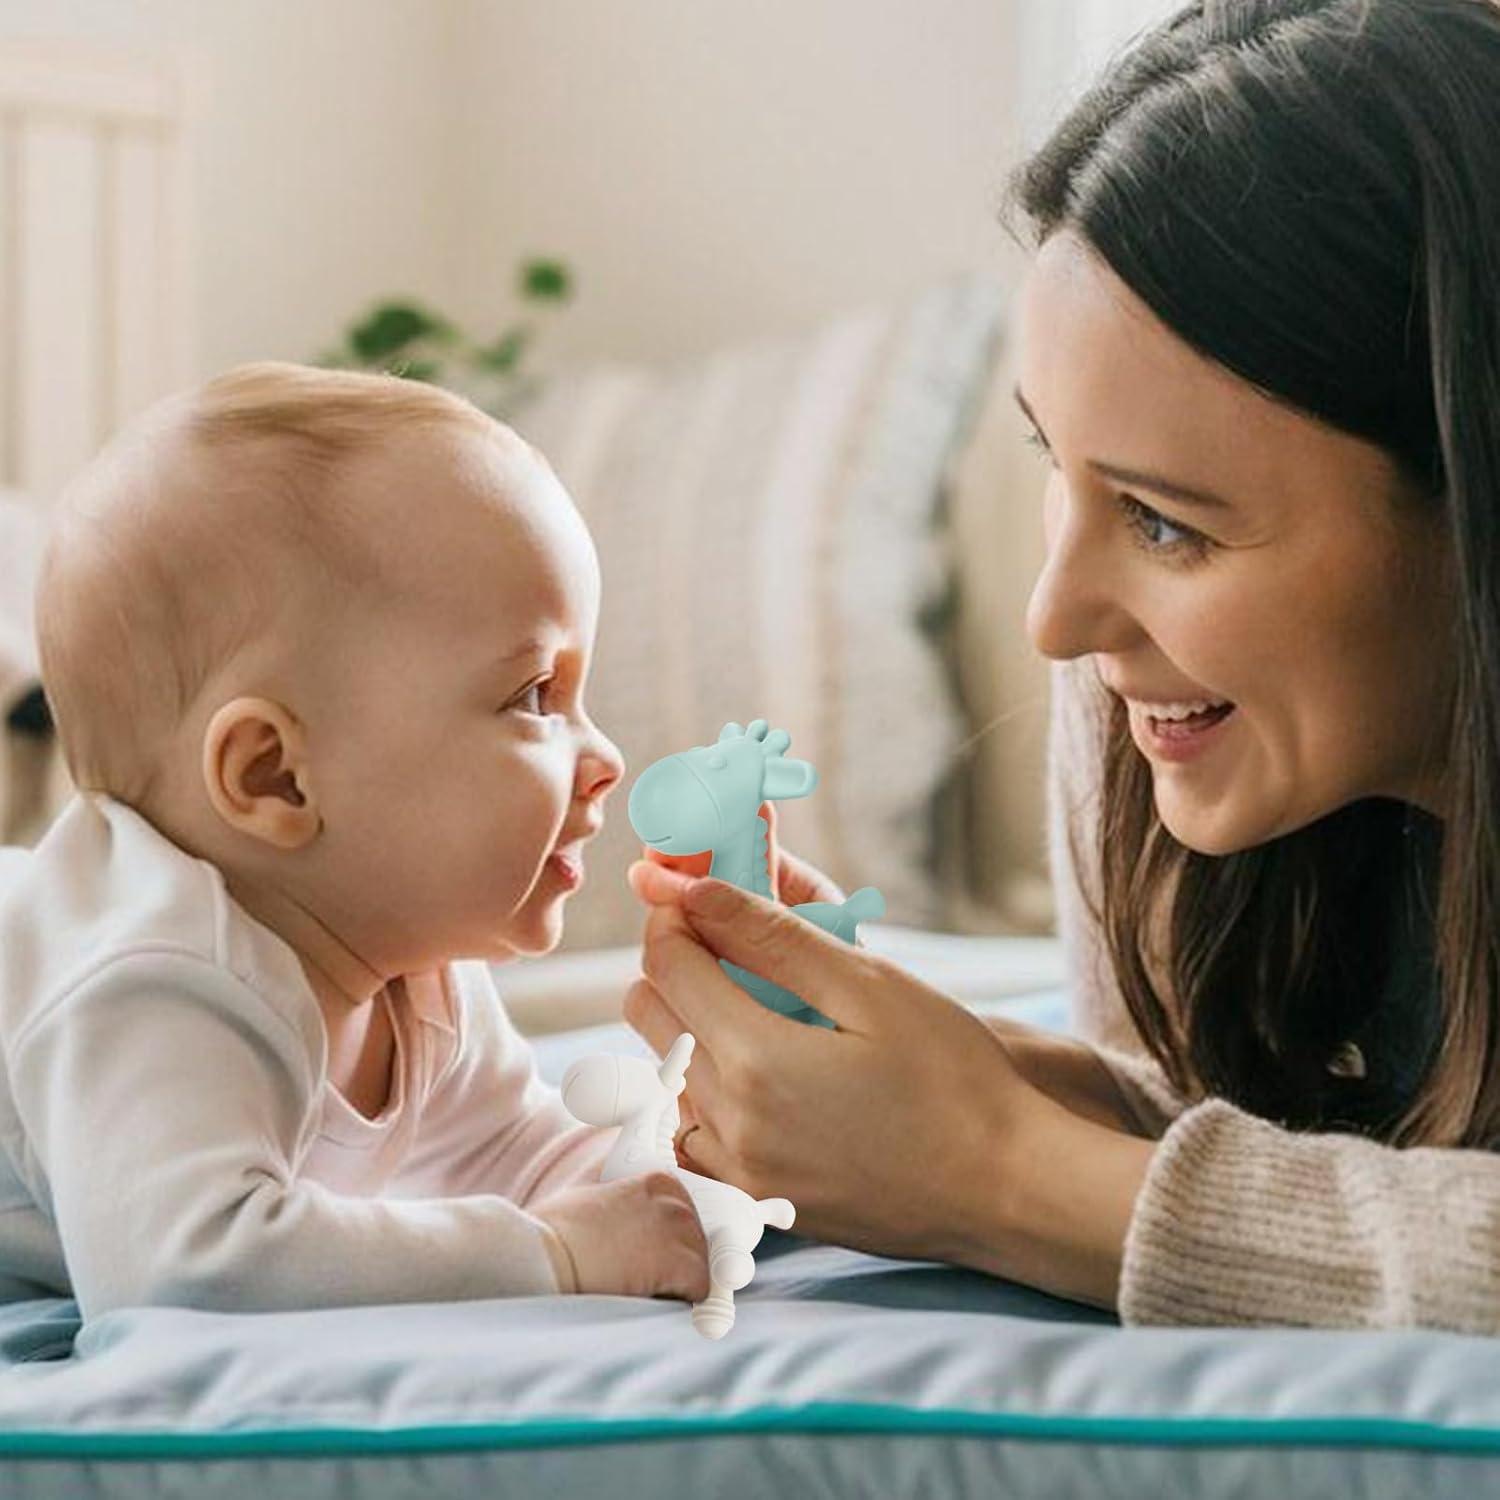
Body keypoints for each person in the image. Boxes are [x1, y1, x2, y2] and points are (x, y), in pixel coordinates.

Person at [624, 0, 1500, 1331]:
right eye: (1056, 463)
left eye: (1164, 521)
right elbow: (1222, 1098)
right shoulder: (1154, 717)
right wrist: (965, 1086)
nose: (1057, 621)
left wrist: (996, 1172)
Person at [0, 361, 710, 1320]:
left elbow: (524, 1157)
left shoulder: (410, 966)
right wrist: (555, 1256)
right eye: (533, 696)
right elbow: (185, 1270)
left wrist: (690, 1166)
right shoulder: (155, 978)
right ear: (275, 778)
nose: (607, 759)